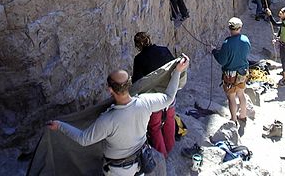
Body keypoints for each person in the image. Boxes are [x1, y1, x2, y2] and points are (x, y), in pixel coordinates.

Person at [47, 56, 190, 176]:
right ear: (129, 85)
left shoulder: (107, 119)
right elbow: (169, 97)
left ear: (110, 90)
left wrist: (59, 125)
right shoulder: (145, 102)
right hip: (140, 162)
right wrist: (177, 72)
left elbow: (84, 139)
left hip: (117, 171)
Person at [132, 32, 176, 158]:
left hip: (154, 98)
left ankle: (162, 155)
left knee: (154, 127)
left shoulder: (139, 59)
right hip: (169, 92)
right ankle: (170, 145)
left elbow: (137, 83)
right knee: (169, 119)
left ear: (137, 46)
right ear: (149, 39)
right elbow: (174, 67)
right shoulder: (164, 50)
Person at [212, 17, 251, 126]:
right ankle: (243, 115)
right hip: (243, 71)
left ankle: (233, 119)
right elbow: (246, 52)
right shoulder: (245, 39)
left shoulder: (227, 43)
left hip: (231, 75)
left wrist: (215, 51)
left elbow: (222, 61)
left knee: (231, 97)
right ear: (240, 27)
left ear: (230, 28)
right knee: (241, 93)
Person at [265, 7, 285, 86]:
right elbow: (281, 30)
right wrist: (277, 38)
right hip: (282, 43)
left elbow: (275, 24)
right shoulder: (284, 21)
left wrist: (270, 15)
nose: (279, 14)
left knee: (284, 61)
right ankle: (284, 72)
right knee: (282, 59)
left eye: (281, 13)